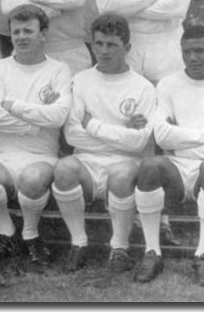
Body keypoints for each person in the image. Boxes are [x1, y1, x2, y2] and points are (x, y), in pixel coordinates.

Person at [133, 25, 204, 286]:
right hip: (175, 166)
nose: (192, 58)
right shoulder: (169, 84)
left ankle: (203, 256)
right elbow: (161, 136)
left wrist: (180, 140)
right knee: (150, 165)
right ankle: (153, 252)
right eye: (186, 52)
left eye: (200, 51)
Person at [52, 14, 156, 273]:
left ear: (127, 48)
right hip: (87, 161)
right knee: (64, 168)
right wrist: (119, 131)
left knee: (121, 174)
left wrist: (93, 125)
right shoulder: (81, 80)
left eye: (112, 45)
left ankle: (119, 247)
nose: (104, 51)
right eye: (99, 44)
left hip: (124, 163)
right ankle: (78, 243)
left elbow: (138, 142)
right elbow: (71, 135)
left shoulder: (143, 88)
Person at [0, 4, 71, 265]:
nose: (21, 37)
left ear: (43, 33)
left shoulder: (58, 70)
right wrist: (35, 123)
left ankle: (30, 234)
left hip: (43, 155)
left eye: (28, 30)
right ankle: (6, 232)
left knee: (32, 178)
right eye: (16, 31)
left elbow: (59, 116)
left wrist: (14, 106)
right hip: (4, 155)